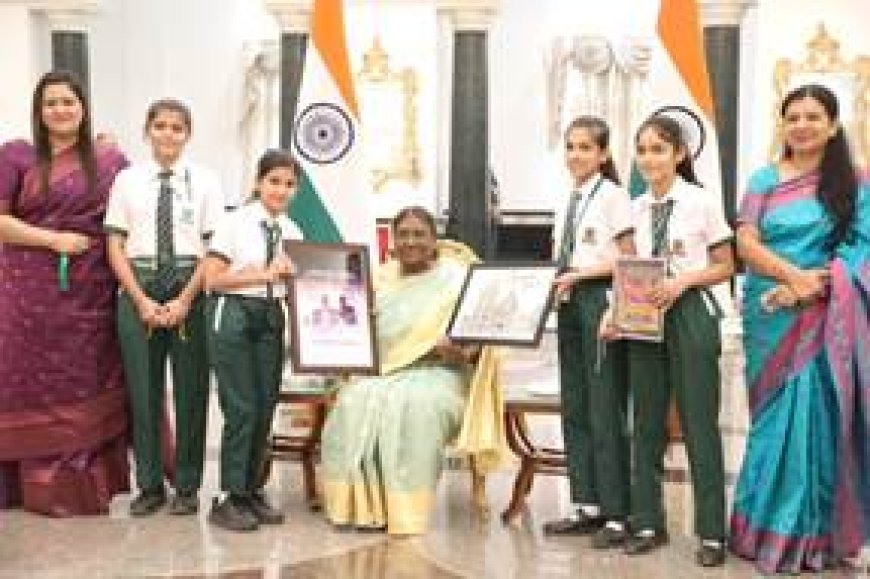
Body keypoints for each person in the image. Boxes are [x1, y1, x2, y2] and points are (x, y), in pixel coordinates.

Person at [729, 84, 870, 574]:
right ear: (782, 123)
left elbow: (861, 249)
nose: (802, 125)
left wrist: (815, 286)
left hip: (826, 315)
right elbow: (745, 242)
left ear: (833, 124)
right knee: (771, 421)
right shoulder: (764, 179)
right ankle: (760, 528)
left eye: (813, 116)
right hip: (768, 311)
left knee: (817, 422)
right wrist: (791, 279)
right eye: (793, 116)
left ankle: (810, 536)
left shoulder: (855, 182)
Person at [321, 206, 505, 535]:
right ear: (392, 240)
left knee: (414, 406)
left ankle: (404, 510)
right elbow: (353, 329)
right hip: (383, 371)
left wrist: (460, 352)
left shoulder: (456, 278)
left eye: (419, 234)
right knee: (353, 401)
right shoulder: (378, 277)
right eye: (403, 234)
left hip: (442, 372)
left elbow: (480, 344)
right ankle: (356, 505)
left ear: (434, 240)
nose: (410, 241)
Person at [605, 115, 734, 566]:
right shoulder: (634, 209)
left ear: (680, 154)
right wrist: (612, 313)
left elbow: (725, 264)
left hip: (690, 313)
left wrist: (683, 283)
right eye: (641, 150)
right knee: (646, 422)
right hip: (642, 318)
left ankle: (712, 533)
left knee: (699, 422)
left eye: (659, 149)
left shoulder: (701, 202)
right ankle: (646, 521)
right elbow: (627, 270)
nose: (648, 159)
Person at [0, 70, 130, 516]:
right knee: (25, 381)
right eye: (51, 103)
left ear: (83, 108)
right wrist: (52, 240)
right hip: (25, 293)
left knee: (85, 378)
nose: (60, 110)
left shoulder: (108, 161)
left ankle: (81, 486)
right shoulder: (15, 155)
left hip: (89, 293)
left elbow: (133, 212)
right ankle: (26, 488)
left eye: (68, 102)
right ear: (39, 111)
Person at [105, 98, 223, 516]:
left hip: (191, 285)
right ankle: (150, 485)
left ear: (187, 134)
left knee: (192, 391)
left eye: (177, 127)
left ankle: (188, 485)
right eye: (160, 126)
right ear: (147, 131)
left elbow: (214, 249)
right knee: (144, 392)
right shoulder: (127, 180)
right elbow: (114, 245)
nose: (168, 134)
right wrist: (139, 298)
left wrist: (185, 299)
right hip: (139, 284)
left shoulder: (206, 181)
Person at [542, 116, 635, 548]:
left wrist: (583, 276)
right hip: (569, 301)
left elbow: (629, 260)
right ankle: (587, 504)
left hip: (598, 299)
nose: (576, 155)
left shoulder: (614, 197)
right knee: (575, 403)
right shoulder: (569, 199)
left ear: (603, 154)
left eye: (585, 147)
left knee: (603, 406)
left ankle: (617, 511)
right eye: (571, 146)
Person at [203, 149, 301, 532]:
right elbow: (213, 279)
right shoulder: (234, 222)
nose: (281, 190)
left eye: (289, 184)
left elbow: (288, 282)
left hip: (270, 317)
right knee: (242, 408)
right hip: (234, 314)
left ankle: (251, 490)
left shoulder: (293, 231)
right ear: (258, 183)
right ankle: (229, 496)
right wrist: (264, 274)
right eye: (274, 181)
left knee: (265, 407)